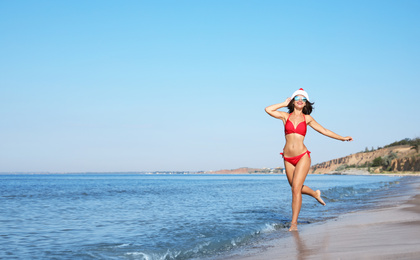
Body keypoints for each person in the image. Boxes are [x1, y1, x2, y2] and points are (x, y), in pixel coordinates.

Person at [265, 88, 353, 231]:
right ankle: (314, 193)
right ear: (293, 101)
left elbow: (324, 130)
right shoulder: (285, 116)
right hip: (287, 158)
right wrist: (283, 103)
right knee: (295, 188)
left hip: (302, 156)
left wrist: (342, 138)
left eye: (303, 99)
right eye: (297, 98)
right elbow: (268, 109)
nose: (300, 101)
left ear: (306, 103)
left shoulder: (307, 119)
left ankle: (294, 224)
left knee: (295, 189)